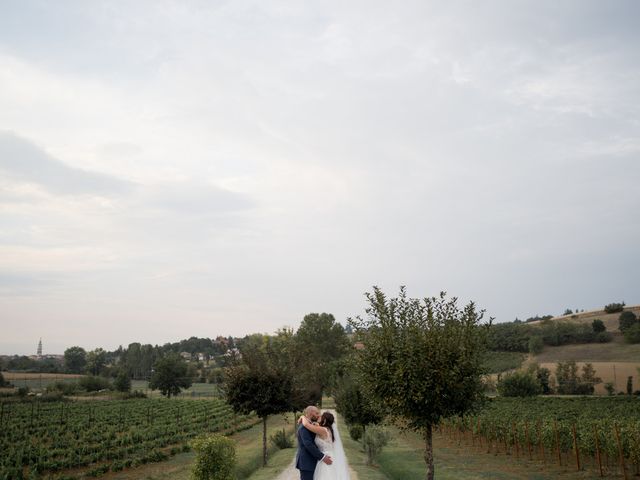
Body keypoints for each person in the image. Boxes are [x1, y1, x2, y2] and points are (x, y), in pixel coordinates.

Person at [298, 410, 350, 480]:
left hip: (325, 457)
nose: (319, 416)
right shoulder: (328, 429)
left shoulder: (322, 430)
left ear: (324, 420)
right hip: (329, 455)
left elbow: (306, 425)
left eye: (321, 416)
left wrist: (302, 416)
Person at [296, 406, 333, 480]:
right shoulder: (303, 427)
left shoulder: (312, 425)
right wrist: (322, 457)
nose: (319, 415)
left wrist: (303, 417)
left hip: (314, 461)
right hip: (307, 463)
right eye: (317, 413)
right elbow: (308, 444)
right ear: (310, 413)